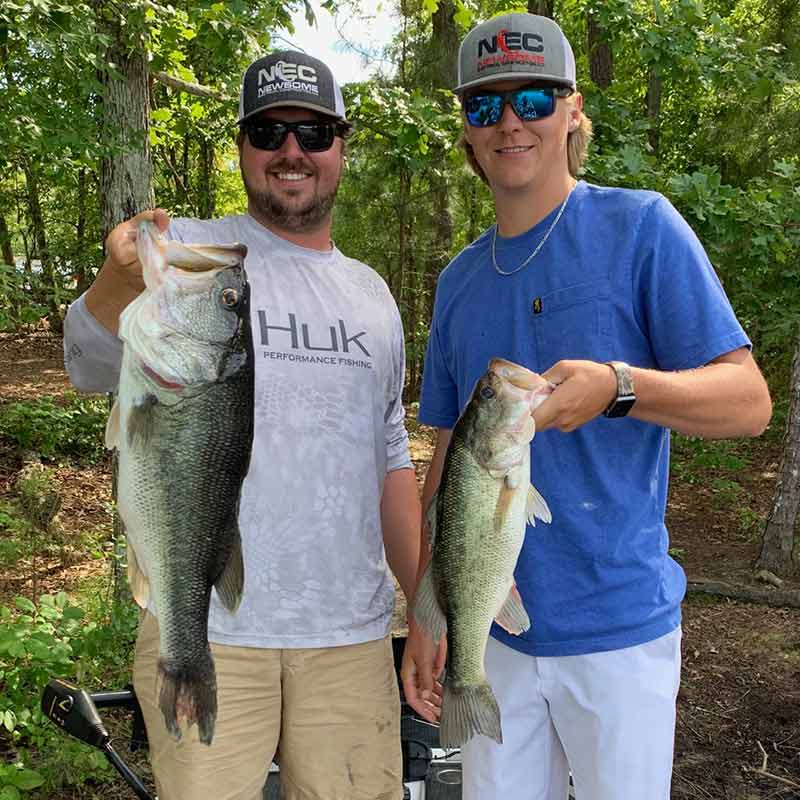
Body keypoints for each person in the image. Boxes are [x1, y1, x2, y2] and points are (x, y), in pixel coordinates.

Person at [400, 12, 772, 800]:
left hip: (617, 632)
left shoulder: (642, 227)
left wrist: (621, 388)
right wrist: (427, 613)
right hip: (492, 630)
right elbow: (448, 456)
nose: (509, 122)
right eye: (485, 106)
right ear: (465, 133)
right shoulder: (458, 282)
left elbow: (748, 401)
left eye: (533, 99)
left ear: (573, 113)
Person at [63, 50, 420, 800]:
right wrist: (115, 279)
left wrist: (426, 607)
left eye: (314, 132)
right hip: (205, 627)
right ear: (242, 147)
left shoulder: (371, 295)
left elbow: (389, 456)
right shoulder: (189, 253)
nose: (292, 151)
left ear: (341, 147)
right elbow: (87, 366)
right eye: (269, 131)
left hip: (350, 636)